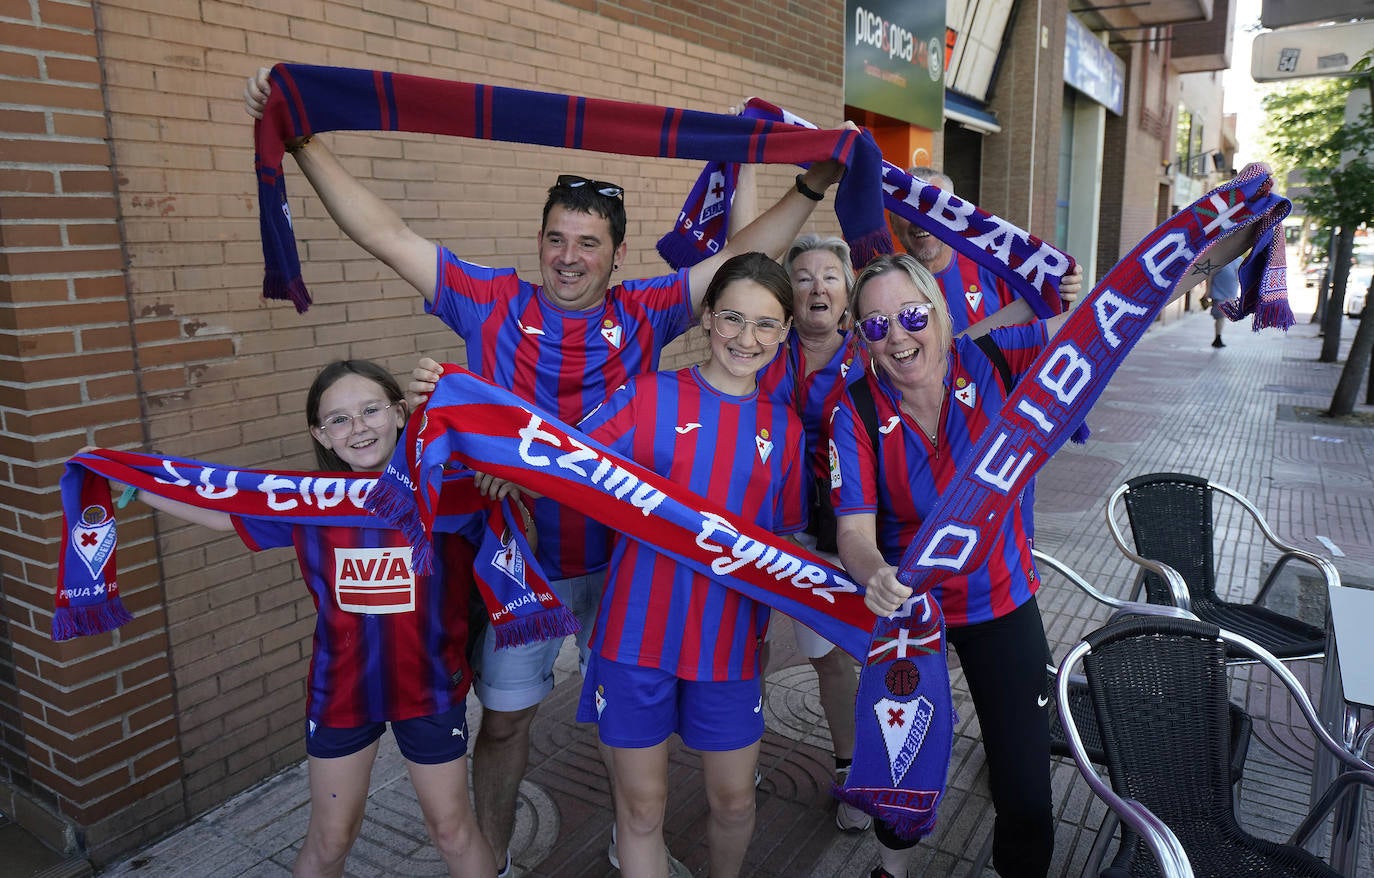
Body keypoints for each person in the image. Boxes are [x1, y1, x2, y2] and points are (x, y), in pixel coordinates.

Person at [245, 68, 845, 875]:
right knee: (505, 723)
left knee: (627, 728)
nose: (570, 257)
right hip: (518, 563)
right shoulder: (487, 301)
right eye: (556, 238)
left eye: (588, 242)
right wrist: (302, 143)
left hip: (630, 564)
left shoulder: (646, 310)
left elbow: (743, 262)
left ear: (616, 254)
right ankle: (487, 860)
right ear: (539, 242)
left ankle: (632, 835)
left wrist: (809, 184)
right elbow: (384, 233)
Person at [105, 360, 496, 878]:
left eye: (371, 410)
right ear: (320, 434)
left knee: (452, 830)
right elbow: (222, 510)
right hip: (342, 691)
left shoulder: (447, 490)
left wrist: (505, 489)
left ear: (400, 414)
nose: (358, 428)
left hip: (428, 688)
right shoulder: (307, 501)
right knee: (331, 837)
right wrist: (129, 480)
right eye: (338, 419)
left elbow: (520, 541)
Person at [828, 255, 1077, 878]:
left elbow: (1116, 317)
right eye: (876, 324)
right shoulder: (853, 409)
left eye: (912, 315)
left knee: (1025, 788)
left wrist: (1223, 239)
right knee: (898, 767)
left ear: (940, 313)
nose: (898, 336)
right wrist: (872, 572)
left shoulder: (995, 359)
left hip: (1001, 600)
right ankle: (893, 869)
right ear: (861, 336)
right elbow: (853, 531)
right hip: (912, 612)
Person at [576, 252, 807, 878]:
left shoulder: (785, 428)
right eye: (733, 317)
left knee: (733, 801)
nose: (746, 337)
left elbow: (786, 545)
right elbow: (556, 459)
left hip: (728, 645)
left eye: (766, 324)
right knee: (642, 808)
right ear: (708, 317)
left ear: (785, 332)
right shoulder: (647, 396)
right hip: (634, 639)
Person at [756, 233, 870, 832]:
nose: (817, 286)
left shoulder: (873, 354)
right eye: (802, 276)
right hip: (761, 524)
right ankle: (736, 750)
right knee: (743, 644)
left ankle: (852, 767)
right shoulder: (763, 349)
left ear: (848, 293)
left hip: (838, 531)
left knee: (831, 656)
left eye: (830, 275)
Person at [890, 166, 1082, 331]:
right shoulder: (884, 283)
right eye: (908, 210)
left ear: (955, 214)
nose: (922, 221)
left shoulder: (998, 269)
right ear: (892, 222)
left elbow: (1042, 332)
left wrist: (1060, 284)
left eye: (934, 206)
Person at [1205, 255, 1241, 347]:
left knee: (1221, 316)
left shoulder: (1239, 259)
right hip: (1218, 292)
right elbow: (1210, 276)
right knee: (1220, 316)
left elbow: (1239, 277)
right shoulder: (1219, 259)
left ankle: (1218, 337)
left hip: (1230, 293)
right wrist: (1208, 291)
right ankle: (1218, 338)